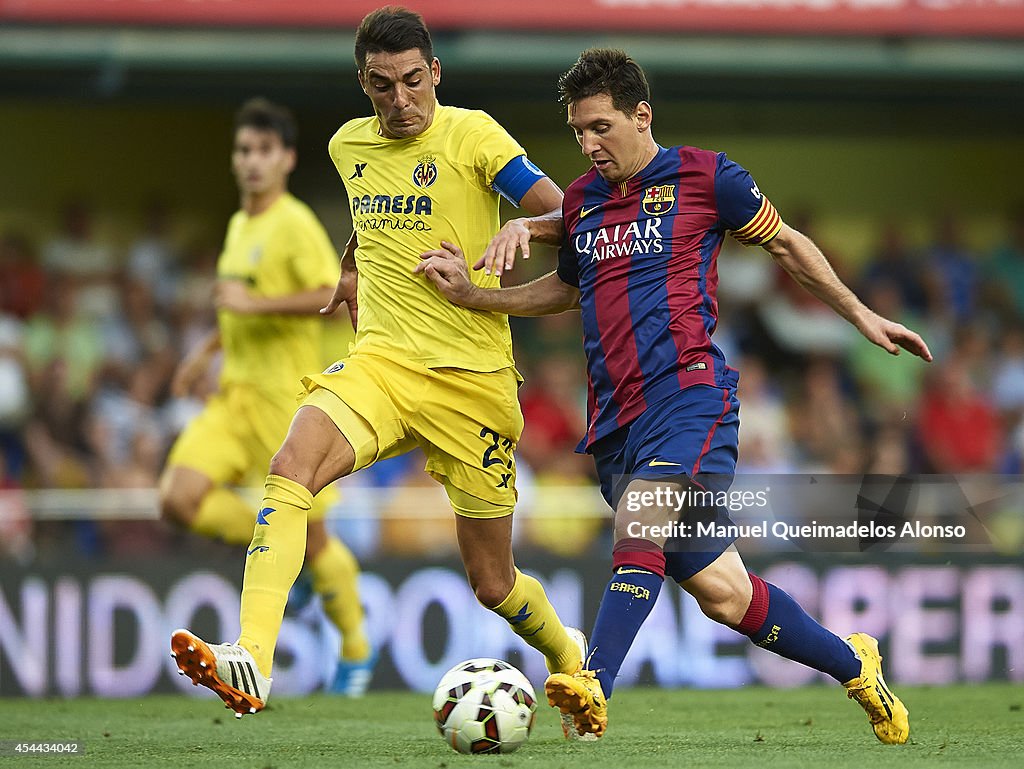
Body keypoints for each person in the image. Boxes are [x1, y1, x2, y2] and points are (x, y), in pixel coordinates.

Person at [416, 48, 933, 745]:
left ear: (641, 115)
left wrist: (861, 314)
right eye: (577, 132)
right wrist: (479, 297)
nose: (588, 144)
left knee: (643, 516)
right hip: (615, 423)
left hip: (690, 395)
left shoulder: (707, 176)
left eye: (600, 127)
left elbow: (786, 245)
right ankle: (856, 663)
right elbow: (570, 289)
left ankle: (593, 680)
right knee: (727, 596)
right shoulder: (581, 201)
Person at [170, 7, 585, 719]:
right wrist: (354, 263)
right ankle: (253, 658)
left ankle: (571, 659)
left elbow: (575, 218)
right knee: (290, 464)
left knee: (492, 581)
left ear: (436, 74)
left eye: (413, 81)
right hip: (383, 363)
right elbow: (377, 221)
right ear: (361, 83)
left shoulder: (473, 135)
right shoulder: (347, 146)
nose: (400, 101)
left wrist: (517, 229)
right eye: (381, 85)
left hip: (473, 383)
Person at [162, 98, 374, 698]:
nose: (252, 162)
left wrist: (253, 306)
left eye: (263, 151)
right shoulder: (239, 225)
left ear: (285, 159)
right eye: (244, 151)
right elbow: (238, 304)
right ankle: (284, 555)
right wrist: (205, 352)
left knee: (313, 537)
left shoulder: (294, 222)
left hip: (284, 400)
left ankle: (357, 650)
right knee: (178, 500)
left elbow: (330, 290)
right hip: (233, 398)